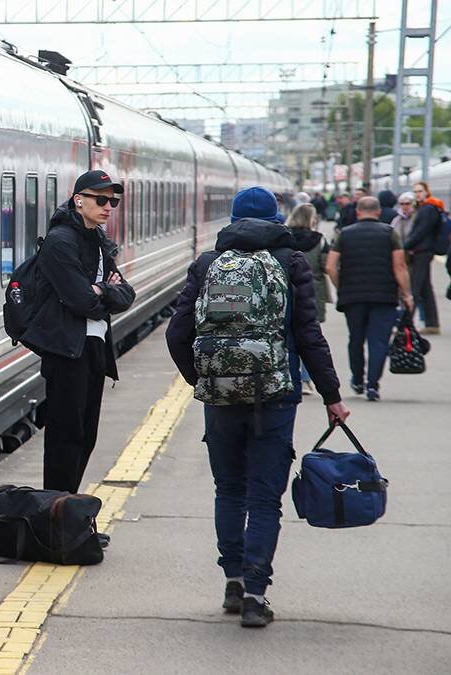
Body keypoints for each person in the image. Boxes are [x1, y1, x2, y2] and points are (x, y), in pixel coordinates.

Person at [166, 186, 348, 628]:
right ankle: (254, 593)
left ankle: (231, 579)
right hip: (275, 395)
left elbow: (177, 331)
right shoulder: (291, 263)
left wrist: (203, 378)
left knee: (229, 490)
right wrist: (332, 396)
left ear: (230, 221)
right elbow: (308, 335)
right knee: (265, 498)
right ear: (277, 220)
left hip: (221, 395)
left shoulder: (209, 264)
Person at [21, 170, 134, 496]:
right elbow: (79, 300)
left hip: (93, 348)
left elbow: (127, 294)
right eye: (101, 199)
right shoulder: (60, 242)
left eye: (112, 201)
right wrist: (101, 293)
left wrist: (102, 292)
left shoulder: (98, 242)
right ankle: (56, 517)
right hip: (67, 351)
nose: (108, 206)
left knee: (85, 436)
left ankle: (68, 516)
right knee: (65, 438)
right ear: (78, 200)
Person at [325, 197, 414, 401]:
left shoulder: (344, 234)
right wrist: (407, 294)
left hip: (353, 296)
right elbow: (399, 266)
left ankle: (357, 379)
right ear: (379, 212)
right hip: (384, 296)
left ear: (357, 212)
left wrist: (341, 286)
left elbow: (330, 266)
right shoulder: (390, 233)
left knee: (355, 339)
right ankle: (372, 385)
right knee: (379, 341)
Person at [286, 203, 328, 395]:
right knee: (309, 336)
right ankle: (304, 379)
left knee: (286, 335)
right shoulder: (319, 240)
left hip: (286, 292)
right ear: (312, 219)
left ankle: (288, 375)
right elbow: (326, 265)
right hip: (312, 292)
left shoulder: (283, 238)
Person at [404, 181, 441, 334]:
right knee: (425, 288)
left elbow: (420, 232)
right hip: (423, 251)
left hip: (421, 252)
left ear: (427, 192)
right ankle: (432, 323)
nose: (417, 194)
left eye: (420, 191)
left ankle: (406, 324)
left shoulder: (428, 209)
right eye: (415, 191)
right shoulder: (427, 208)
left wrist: (405, 246)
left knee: (414, 288)